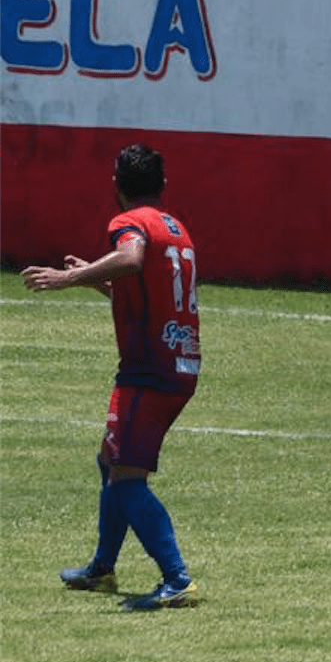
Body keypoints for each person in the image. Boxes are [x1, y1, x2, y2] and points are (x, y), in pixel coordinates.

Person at [21, 144, 203, 612]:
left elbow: (131, 260)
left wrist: (63, 281)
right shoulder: (176, 227)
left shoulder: (131, 224)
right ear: (162, 185)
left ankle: (177, 579)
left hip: (149, 370)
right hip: (178, 361)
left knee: (126, 479)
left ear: (116, 185)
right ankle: (102, 568)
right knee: (110, 462)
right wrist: (92, 280)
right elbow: (146, 291)